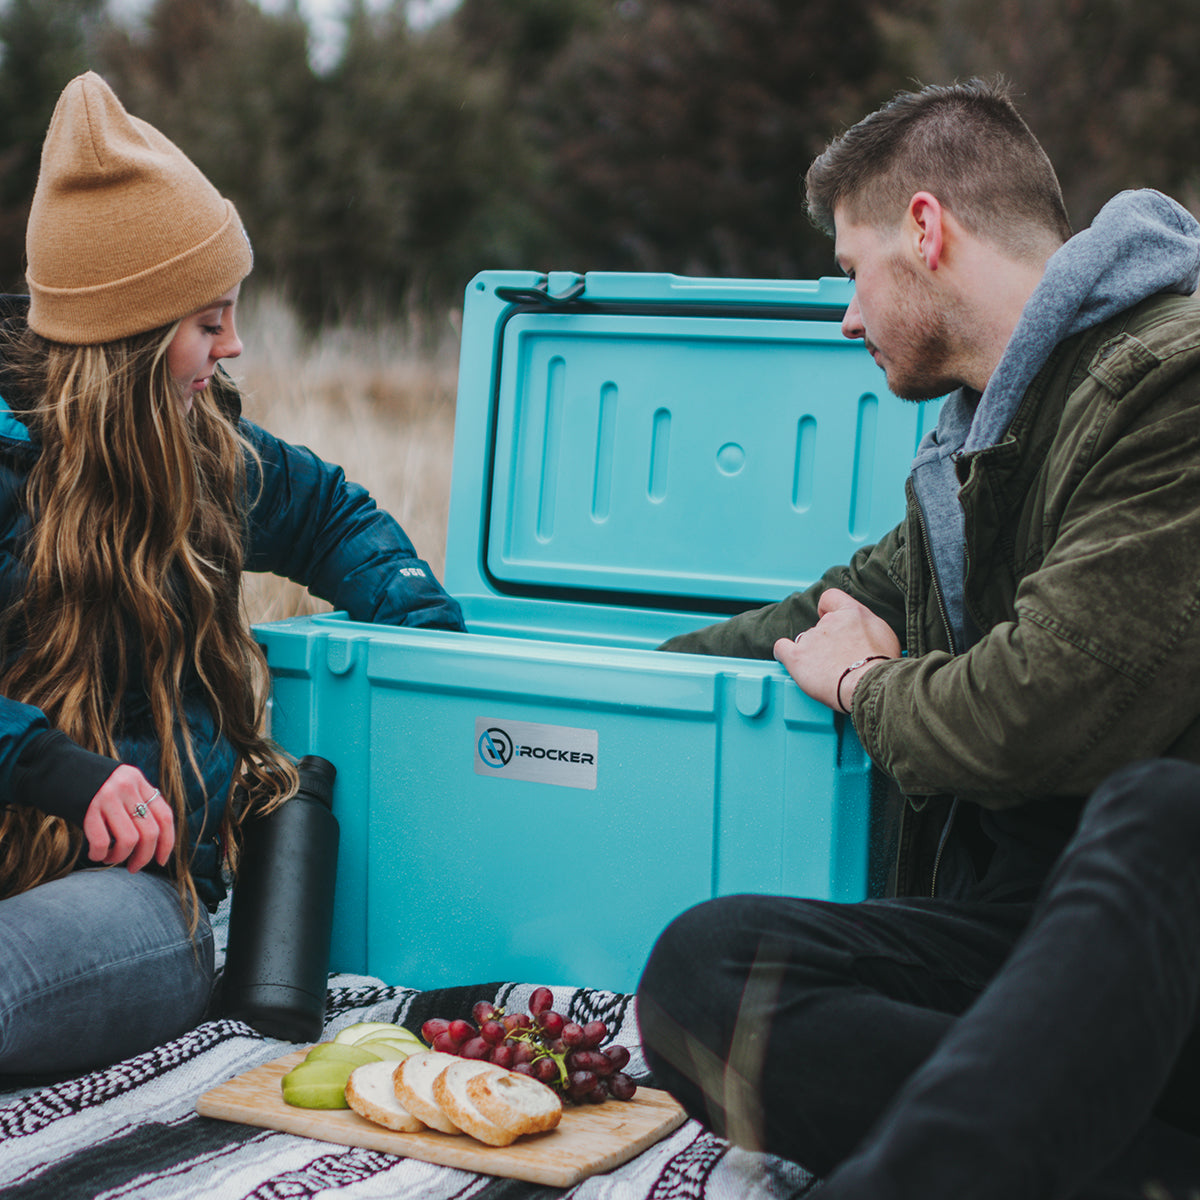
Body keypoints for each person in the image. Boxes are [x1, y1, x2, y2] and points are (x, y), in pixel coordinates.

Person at [636, 78, 1200, 1198]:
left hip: (1163, 949)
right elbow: (832, 610)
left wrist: (866, 690)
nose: (845, 317)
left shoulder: (1170, 381)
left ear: (926, 229)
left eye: (851, 272)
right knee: (706, 977)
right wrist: (620, 681)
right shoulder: (977, 446)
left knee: (1161, 809)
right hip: (1028, 959)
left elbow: (1044, 710)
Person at [0, 72, 465, 1078]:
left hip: (131, 891)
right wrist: (49, 767)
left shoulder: (208, 458)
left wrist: (429, 650)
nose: (235, 344)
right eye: (208, 321)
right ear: (126, 338)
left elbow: (336, 517)